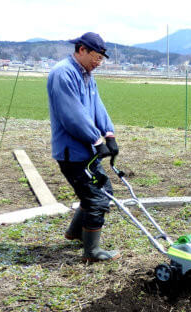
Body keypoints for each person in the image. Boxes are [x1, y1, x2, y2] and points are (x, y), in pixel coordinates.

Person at [47, 32, 121, 262]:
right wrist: (95, 139)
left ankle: (75, 233)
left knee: (103, 190)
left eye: (101, 59)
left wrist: (108, 134)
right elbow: (72, 115)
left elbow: (97, 105)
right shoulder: (63, 73)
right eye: (96, 57)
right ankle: (92, 252)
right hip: (73, 152)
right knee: (96, 199)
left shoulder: (87, 75)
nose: (98, 63)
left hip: (86, 150)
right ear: (81, 50)